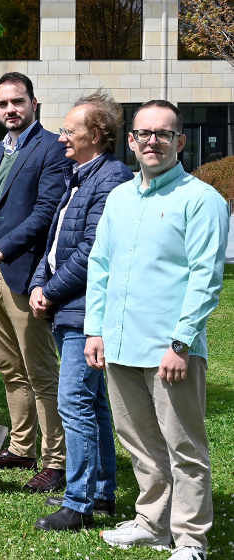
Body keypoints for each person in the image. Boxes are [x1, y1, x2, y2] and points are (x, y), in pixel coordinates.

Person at [86, 100, 228, 560]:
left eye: (163, 134)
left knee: (183, 446)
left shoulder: (202, 200)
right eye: (143, 133)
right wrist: (96, 330)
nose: (152, 141)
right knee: (141, 445)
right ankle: (152, 522)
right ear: (131, 141)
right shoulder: (120, 197)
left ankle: (190, 539)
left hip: (172, 349)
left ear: (180, 141)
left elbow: (206, 277)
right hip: (121, 344)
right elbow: (101, 265)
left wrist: (181, 342)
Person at [29, 91, 134, 531]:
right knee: (93, 405)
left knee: (75, 403)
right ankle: (102, 493)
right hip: (66, 306)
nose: (61, 137)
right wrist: (39, 281)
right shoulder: (79, 175)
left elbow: (93, 251)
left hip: (85, 311)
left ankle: (80, 503)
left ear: (96, 134)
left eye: (69, 130)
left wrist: (50, 291)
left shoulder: (111, 178)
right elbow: (55, 241)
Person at [0, 72, 70, 492]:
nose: (11, 109)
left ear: (34, 103)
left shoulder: (51, 150)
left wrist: (1, 250)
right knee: (9, 368)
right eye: (4, 103)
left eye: (18, 101)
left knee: (40, 370)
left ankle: (55, 460)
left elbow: (46, 213)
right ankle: (23, 447)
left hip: (25, 275)